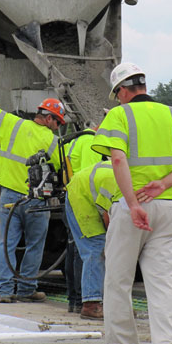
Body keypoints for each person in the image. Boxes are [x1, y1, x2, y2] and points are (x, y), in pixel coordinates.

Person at [92, 62, 172, 344]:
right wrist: (165, 183)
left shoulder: (118, 115)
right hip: (168, 210)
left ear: (122, 91)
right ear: (142, 86)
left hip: (132, 209)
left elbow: (117, 160)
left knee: (118, 280)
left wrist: (132, 203)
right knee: (165, 283)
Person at [0, 78, 65, 303]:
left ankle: (5, 291)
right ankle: (26, 289)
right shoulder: (53, 142)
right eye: (58, 122)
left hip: (10, 198)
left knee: (7, 244)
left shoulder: (14, 124)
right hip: (37, 201)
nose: (59, 126)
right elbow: (65, 169)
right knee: (35, 244)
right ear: (49, 118)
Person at [65, 160, 117, 320]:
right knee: (96, 248)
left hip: (89, 194)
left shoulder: (131, 178)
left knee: (109, 250)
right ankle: (91, 304)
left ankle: (112, 304)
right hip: (80, 198)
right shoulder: (115, 182)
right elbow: (109, 218)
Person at [63, 128, 101, 314]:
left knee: (74, 250)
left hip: (73, 196)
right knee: (89, 251)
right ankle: (84, 300)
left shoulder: (75, 141)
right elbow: (92, 177)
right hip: (83, 201)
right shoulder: (90, 143)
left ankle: (75, 300)